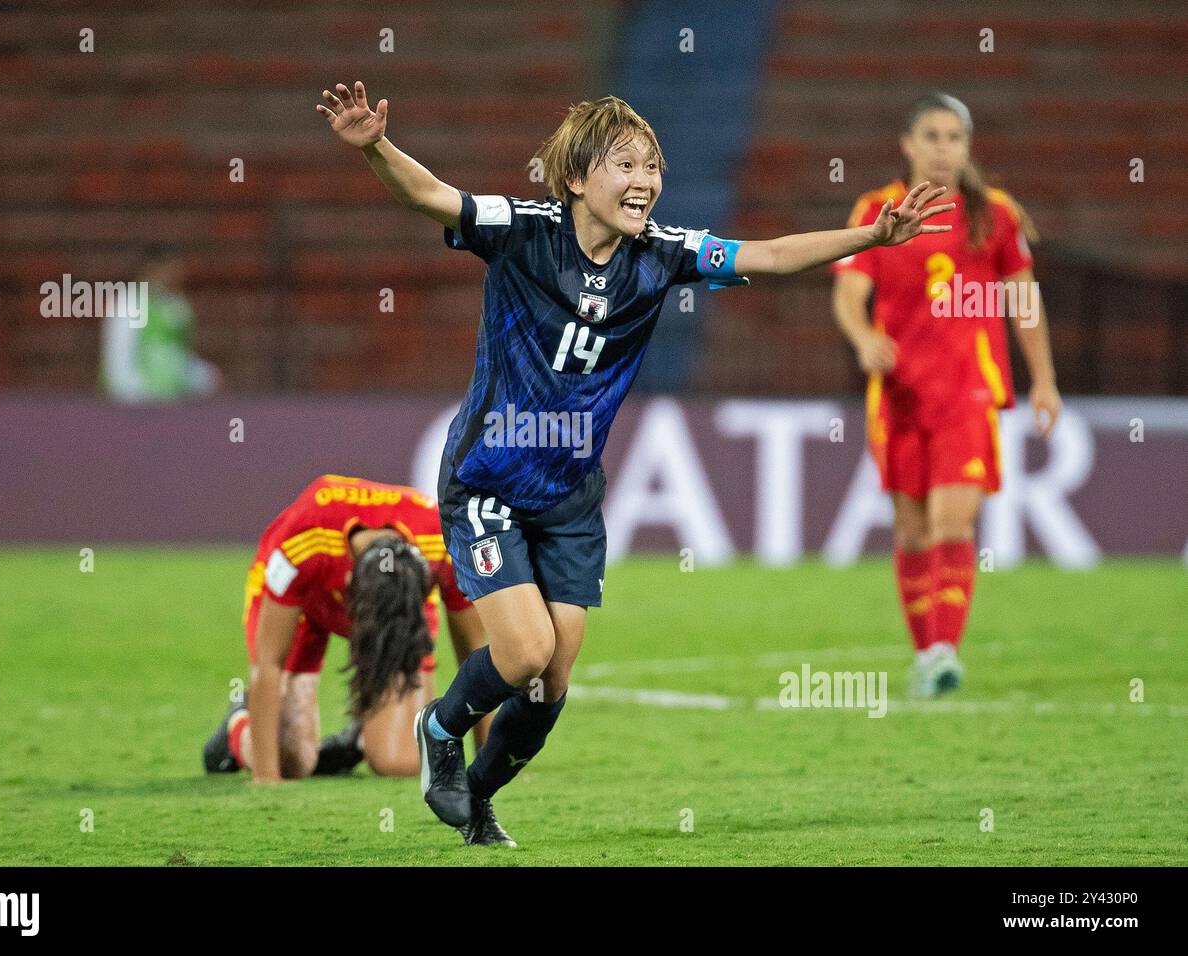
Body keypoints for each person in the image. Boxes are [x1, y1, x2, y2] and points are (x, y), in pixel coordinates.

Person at [316, 82, 951, 844]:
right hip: (488, 480)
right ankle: (440, 729)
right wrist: (376, 146)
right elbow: (430, 196)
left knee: (551, 688)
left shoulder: (662, 254)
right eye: (626, 163)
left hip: (571, 498)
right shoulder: (521, 230)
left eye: (653, 165)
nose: (646, 179)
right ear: (578, 178)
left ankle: (477, 803)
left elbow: (773, 255)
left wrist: (872, 239)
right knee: (523, 653)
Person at [831, 92, 1062, 696]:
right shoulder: (878, 210)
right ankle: (928, 652)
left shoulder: (995, 214)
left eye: (954, 137)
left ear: (967, 146)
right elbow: (849, 296)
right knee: (910, 532)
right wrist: (862, 341)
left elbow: (1023, 303)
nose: (943, 147)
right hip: (900, 395)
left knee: (951, 522)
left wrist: (1044, 381)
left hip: (969, 392)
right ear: (908, 145)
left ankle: (942, 652)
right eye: (931, 136)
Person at [201, 474, 500, 842]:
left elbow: (477, 656)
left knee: (398, 762)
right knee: (294, 760)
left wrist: (491, 762)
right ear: (349, 590)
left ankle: (356, 740)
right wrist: (268, 776)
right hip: (302, 606)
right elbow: (268, 662)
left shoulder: (442, 542)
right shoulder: (300, 542)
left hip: (401, 613)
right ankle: (237, 723)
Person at [100, 247, 219, 402]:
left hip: (172, 403)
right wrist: (136, 398)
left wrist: (206, 377)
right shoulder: (130, 304)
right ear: (151, 269)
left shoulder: (178, 307)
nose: (176, 275)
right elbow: (119, 360)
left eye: (178, 270)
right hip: (138, 405)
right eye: (170, 269)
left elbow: (180, 357)